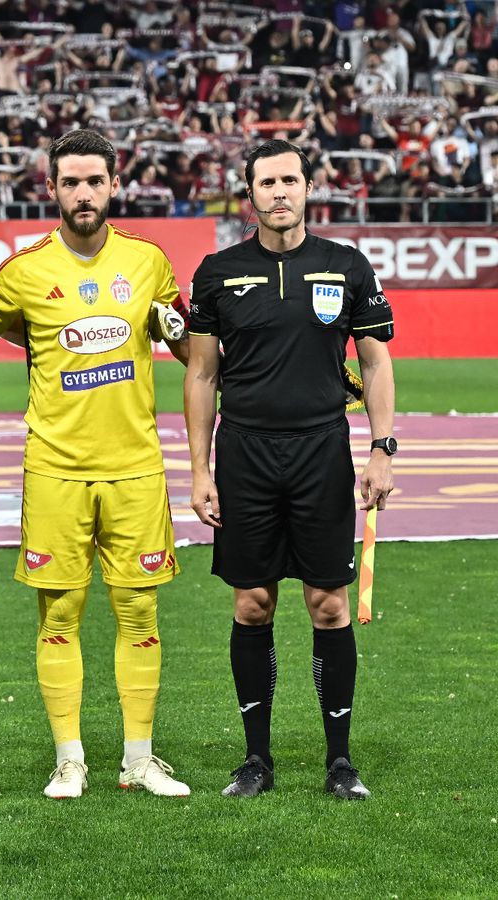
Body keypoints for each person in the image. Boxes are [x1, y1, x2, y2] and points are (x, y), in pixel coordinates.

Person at [0, 130, 193, 800]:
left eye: (94, 181)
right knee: (58, 615)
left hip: (136, 469)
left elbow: (187, 344)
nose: (83, 194)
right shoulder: (27, 272)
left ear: (113, 185)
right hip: (56, 471)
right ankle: (70, 760)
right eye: (71, 182)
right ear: (52, 187)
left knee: (138, 613)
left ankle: (139, 759)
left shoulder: (147, 262)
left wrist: (180, 330)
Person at [184, 139, 396, 801]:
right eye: (268, 182)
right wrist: (199, 469)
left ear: (309, 187)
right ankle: (256, 762)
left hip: (322, 452)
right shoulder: (218, 271)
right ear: (248, 193)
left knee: (329, 606)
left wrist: (382, 448)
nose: (281, 192)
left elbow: (377, 362)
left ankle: (340, 763)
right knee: (253, 604)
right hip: (244, 454)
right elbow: (200, 373)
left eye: (291, 181)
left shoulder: (346, 265)